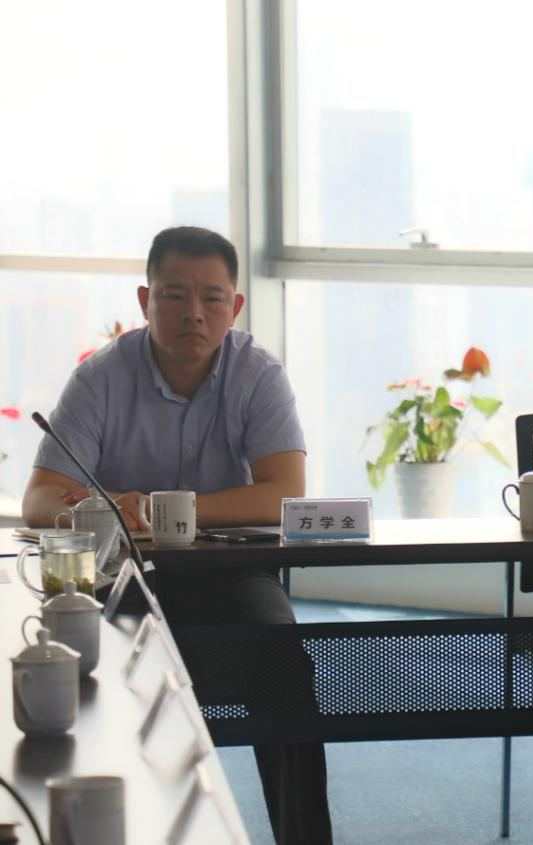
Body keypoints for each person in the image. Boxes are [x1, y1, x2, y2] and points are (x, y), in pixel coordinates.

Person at [22, 226, 333, 845]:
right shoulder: (101, 377)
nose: (194, 312)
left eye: (212, 298)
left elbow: (284, 493)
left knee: (283, 663)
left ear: (234, 307)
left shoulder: (257, 374)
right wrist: (106, 507)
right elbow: (39, 499)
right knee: (91, 667)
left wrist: (169, 513)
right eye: (174, 295)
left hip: (231, 571)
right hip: (125, 574)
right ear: (145, 301)